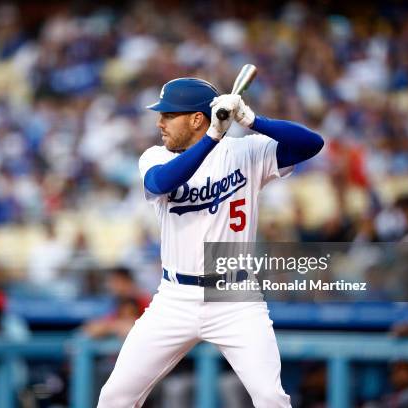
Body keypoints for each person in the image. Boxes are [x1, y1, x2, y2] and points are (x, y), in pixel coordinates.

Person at [98, 77, 323, 407]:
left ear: (196, 119)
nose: (160, 122)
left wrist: (251, 120)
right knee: (115, 396)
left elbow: (311, 144)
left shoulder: (247, 151)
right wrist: (214, 137)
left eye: (169, 115)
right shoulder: (155, 157)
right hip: (175, 297)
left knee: (270, 397)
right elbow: (162, 182)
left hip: (233, 296)